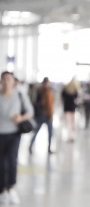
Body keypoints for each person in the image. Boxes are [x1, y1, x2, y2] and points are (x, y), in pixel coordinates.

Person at [0, 71, 34, 205]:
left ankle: (11, 187)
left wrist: (21, 118)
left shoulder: (19, 95)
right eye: (4, 79)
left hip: (14, 133)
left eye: (9, 79)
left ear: (13, 81)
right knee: (1, 163)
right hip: (0, 133)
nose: (7, 81)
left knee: (12, 160)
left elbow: (30, 112)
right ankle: (2, 190)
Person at [29, 77, 55, 155]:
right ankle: (30, 146)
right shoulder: (38, 91)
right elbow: (33, 103)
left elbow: (51, 104)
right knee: (36, 131)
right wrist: (40, 104)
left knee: (50, 133)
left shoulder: (50, 91)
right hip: (40, 115)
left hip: (48, 115)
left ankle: (49, 148)